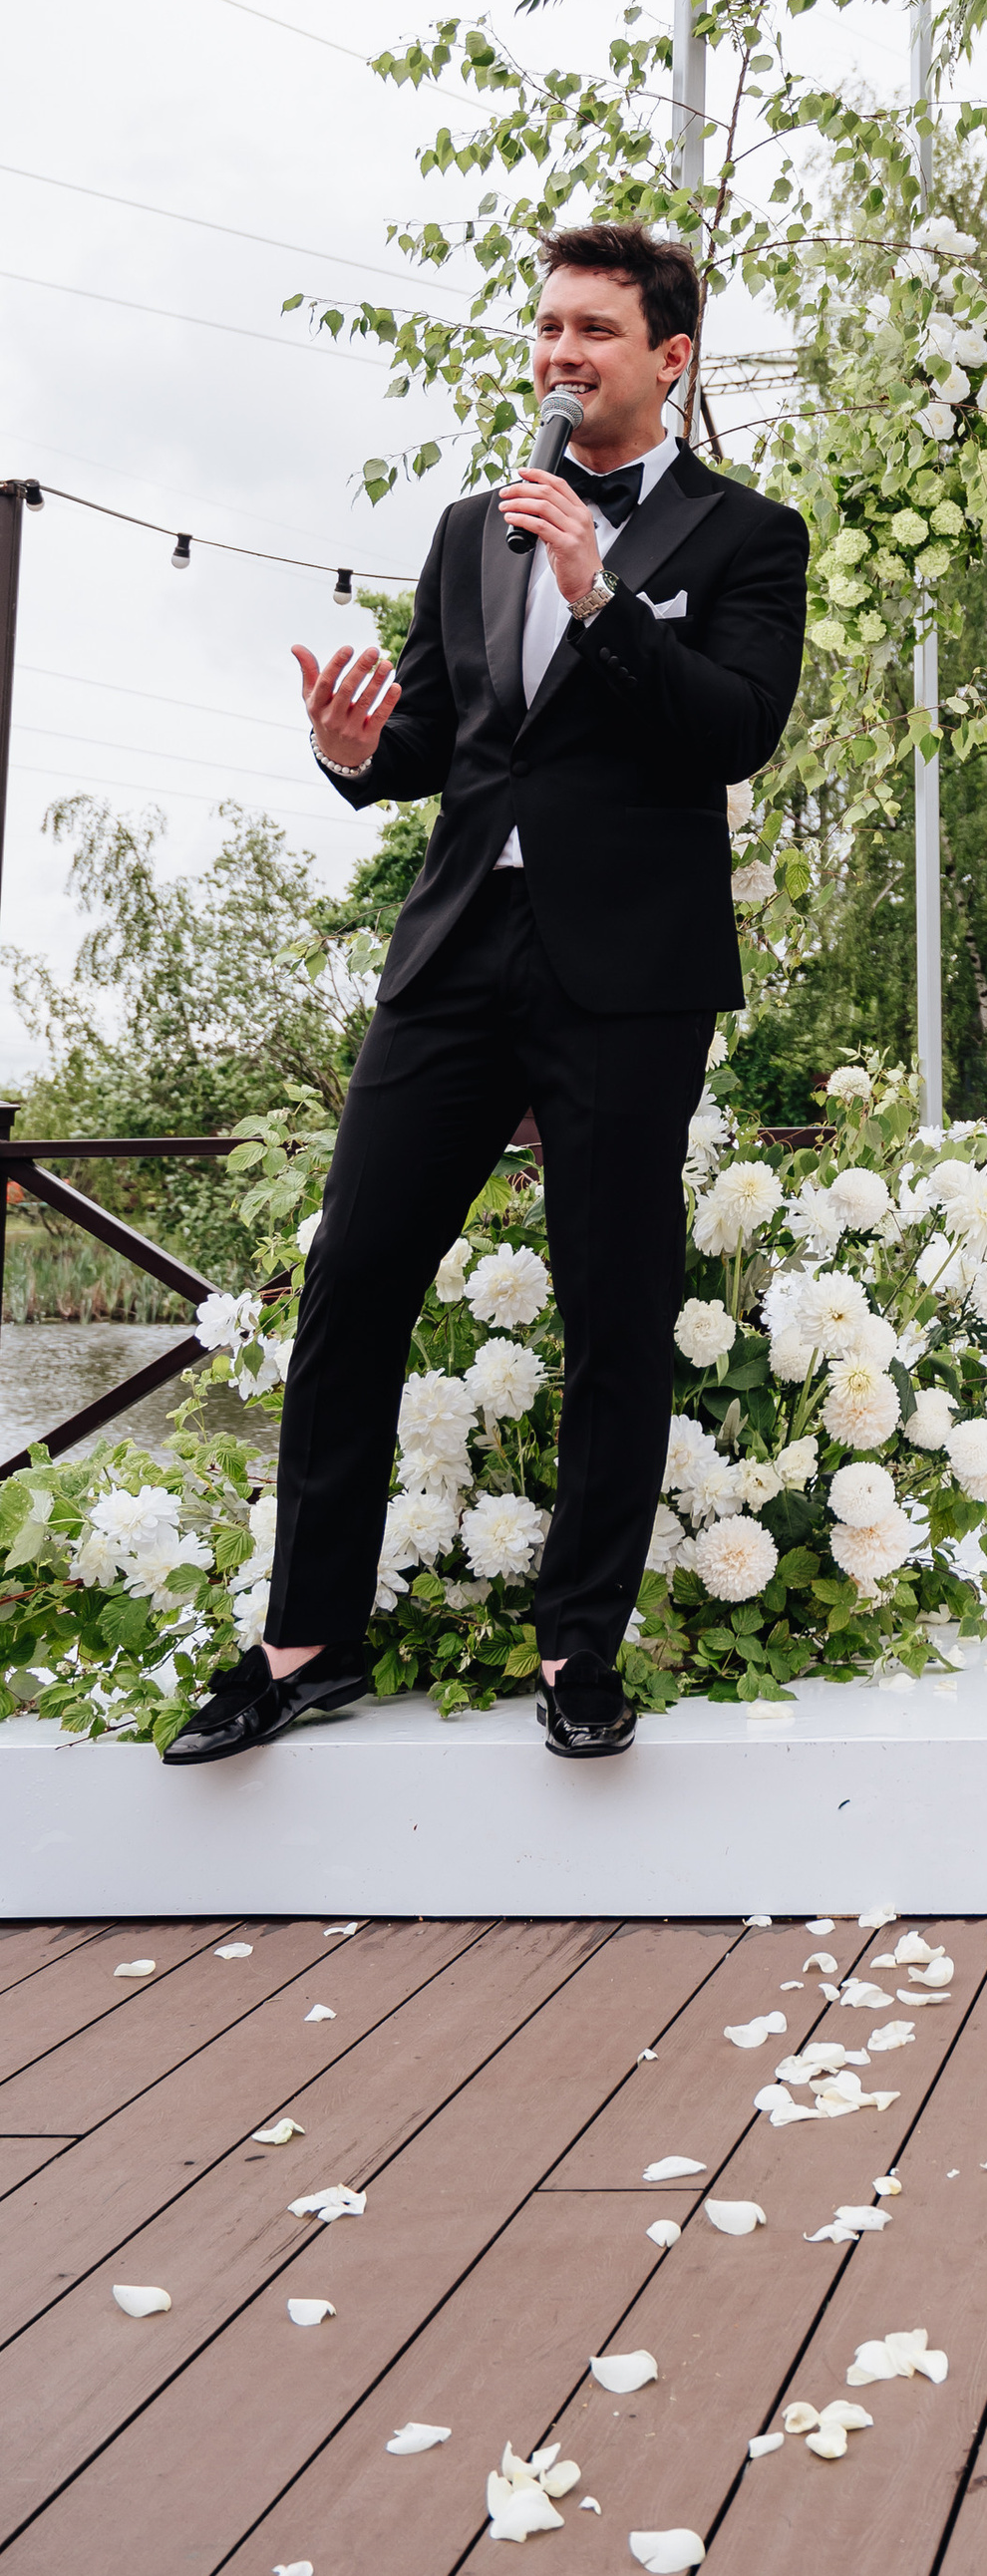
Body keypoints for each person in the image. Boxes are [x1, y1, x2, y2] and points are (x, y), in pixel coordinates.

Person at [166, 222, 808, 1768]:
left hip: (628, 973)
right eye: (546, 326)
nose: (559, 352)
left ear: (672, 355)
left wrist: (605, 599)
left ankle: (581, 1643)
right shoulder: (471, 528)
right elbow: (441, 741)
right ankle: (307, 1637)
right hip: (458, 949)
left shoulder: (744, 534)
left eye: (594, 327)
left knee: (615, 1305)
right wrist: (347, 746)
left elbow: (734, 729)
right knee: (355, 1278)